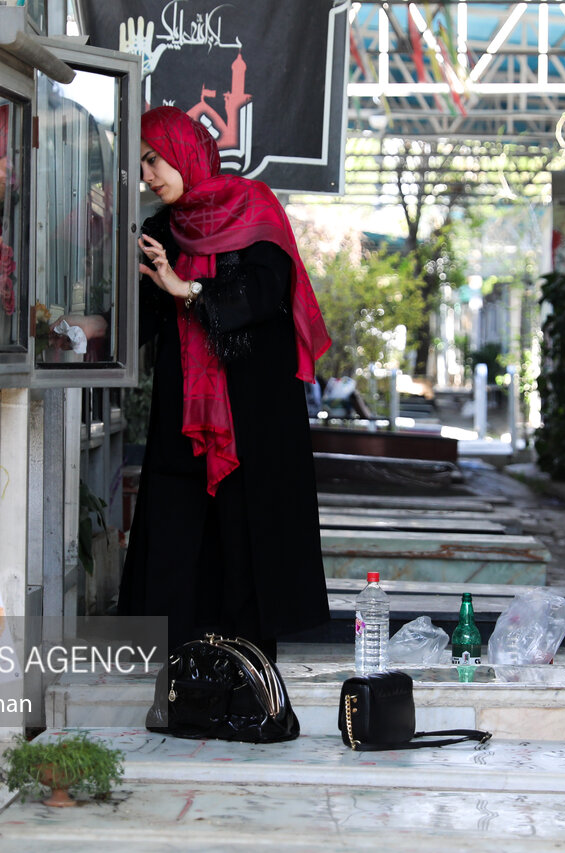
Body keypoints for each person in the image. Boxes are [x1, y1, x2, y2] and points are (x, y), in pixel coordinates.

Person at [117, 106, 333, 663]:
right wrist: (76, 330)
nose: (148, 175)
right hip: (186, 421)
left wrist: (184, 288)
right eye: (141, 164)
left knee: (247, 543)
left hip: (252, 419)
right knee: (179, 540)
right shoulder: (160, 229)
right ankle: (183, 678)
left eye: (153, 159)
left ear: (186, 152)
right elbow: (140, 317)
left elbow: (263, 297)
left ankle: (248, 679)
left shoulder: (253, 207)